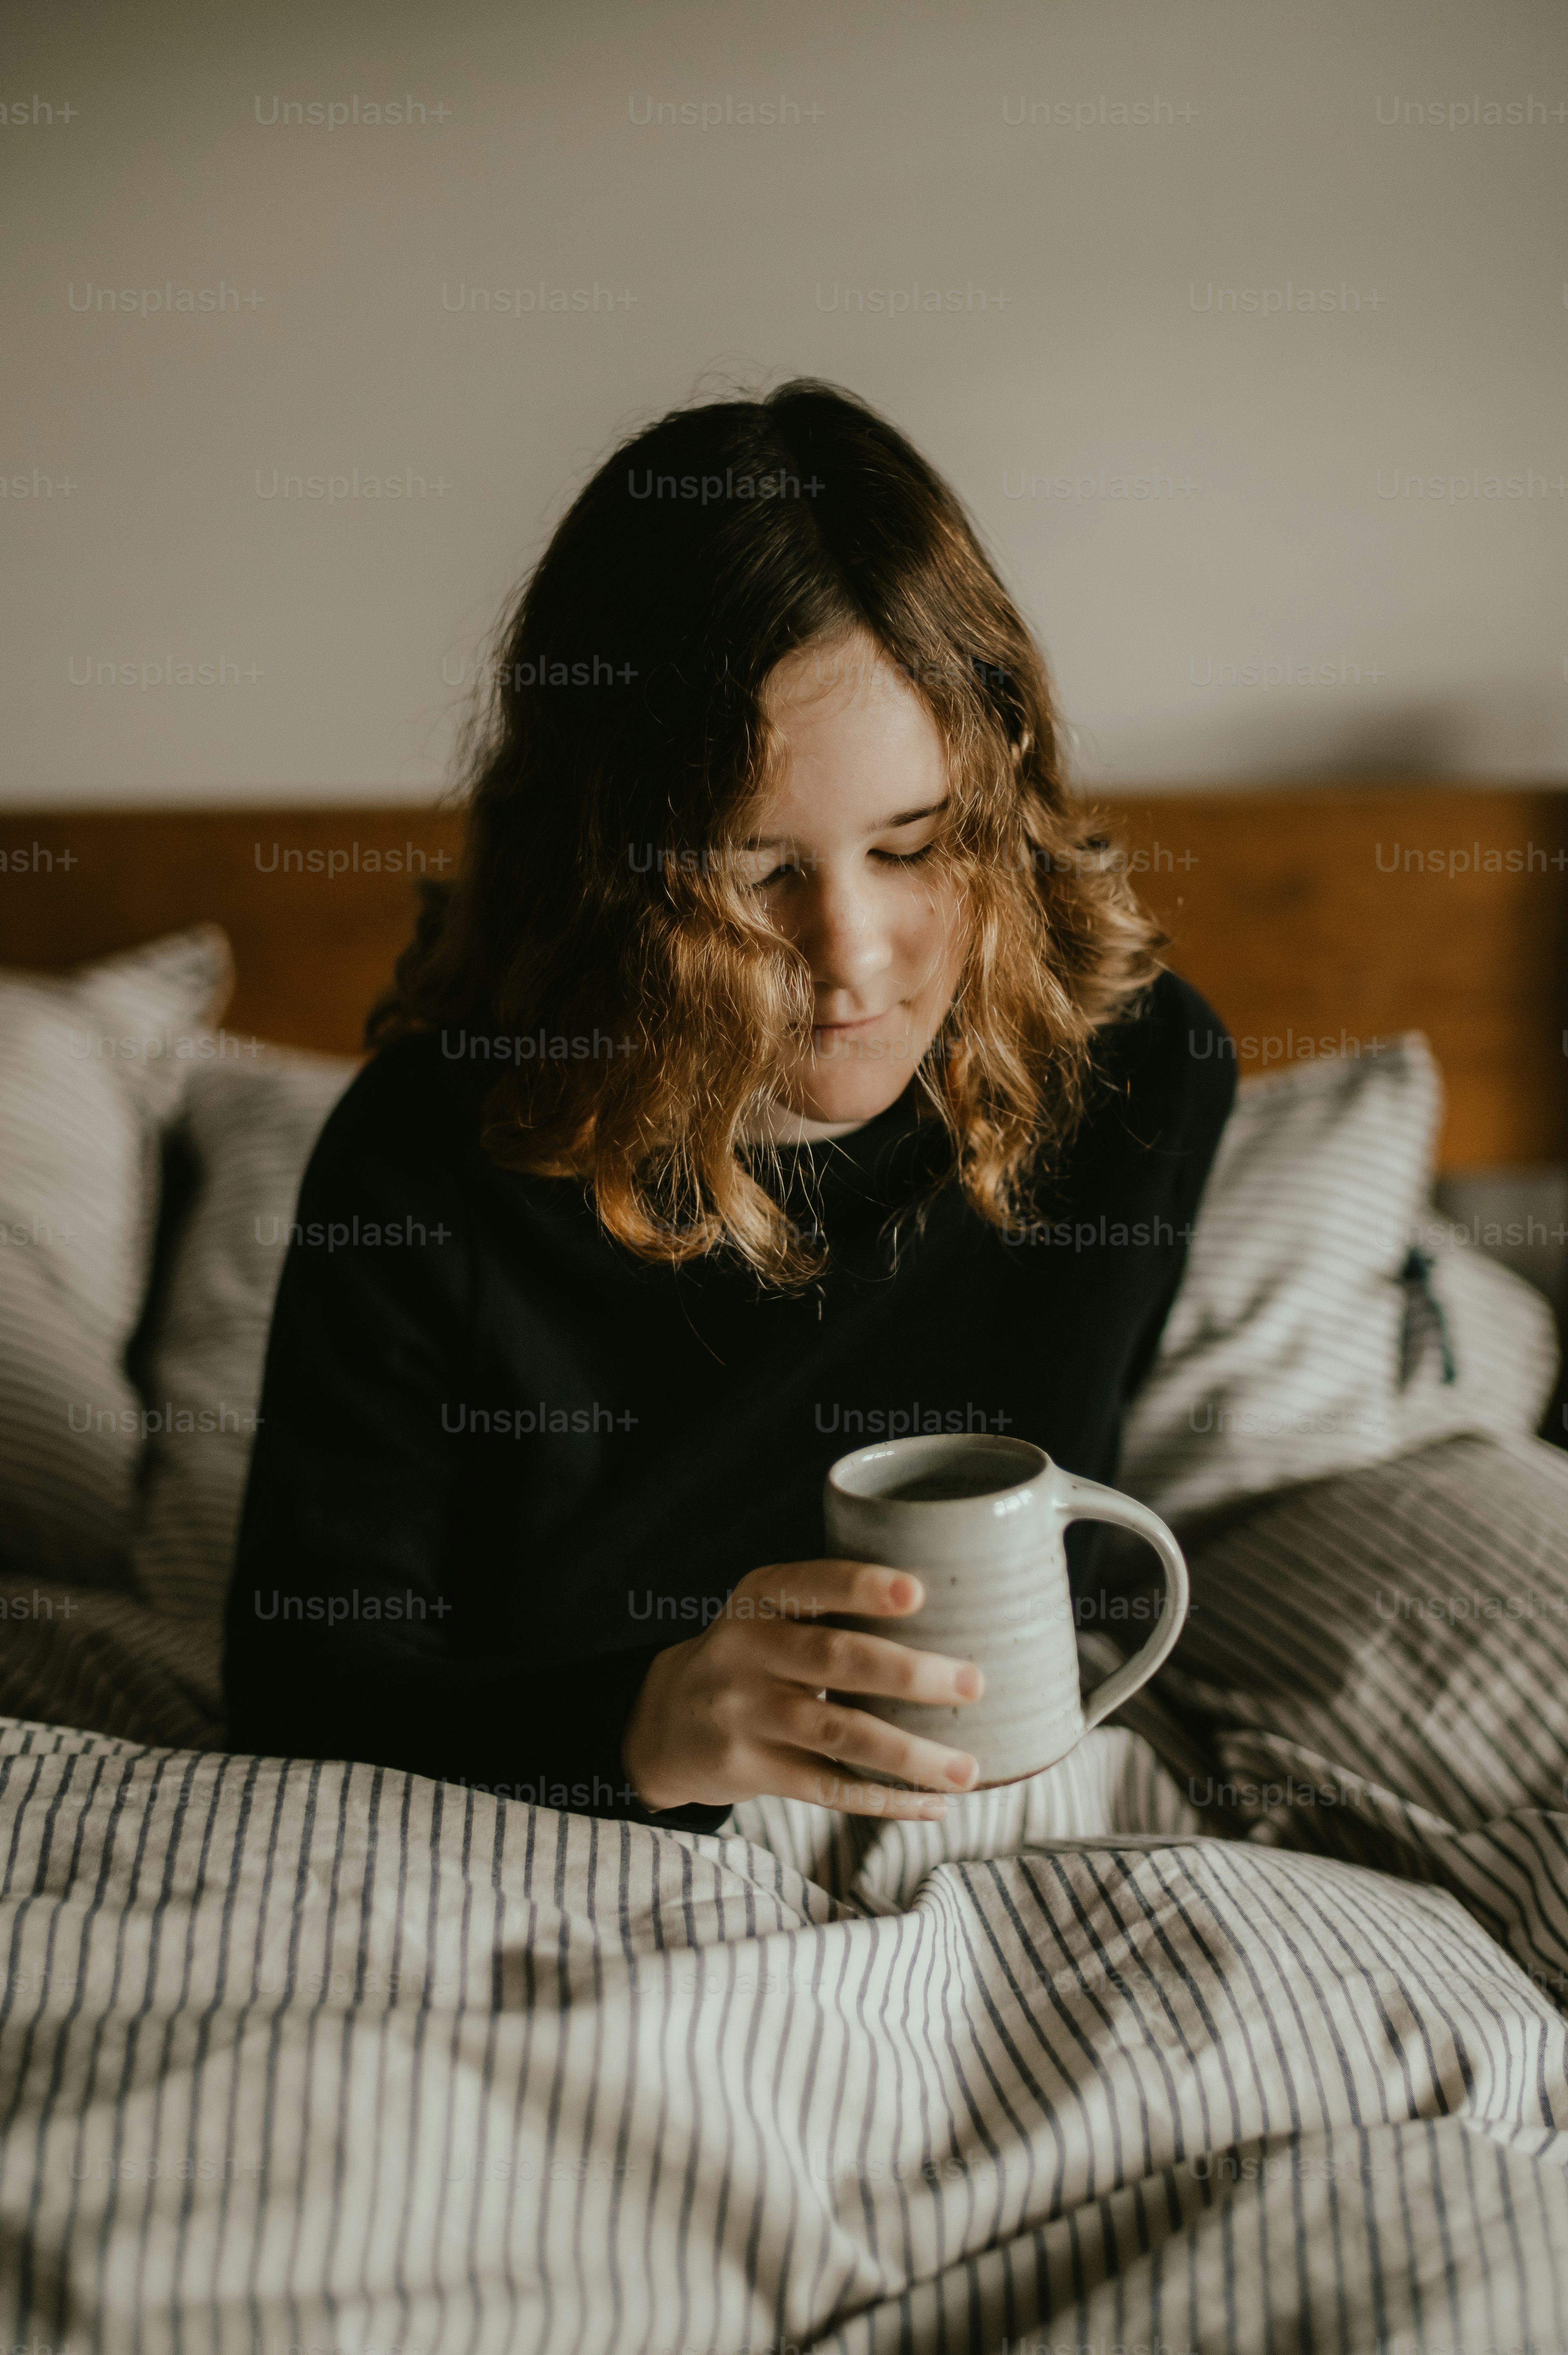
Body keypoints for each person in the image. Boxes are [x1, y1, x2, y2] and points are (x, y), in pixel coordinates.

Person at [222, 379, 1235, 1836]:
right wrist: (640, 1725)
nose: (851, 959)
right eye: (751, 870)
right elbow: (301, 1700)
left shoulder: (1139, 1077)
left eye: (914, 845)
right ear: (614, 874)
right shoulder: (422, 1162)